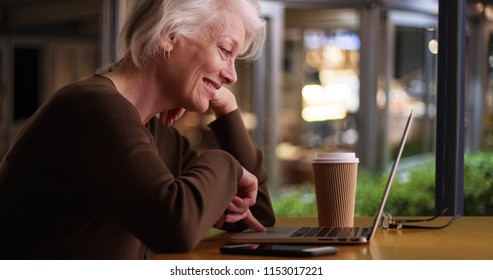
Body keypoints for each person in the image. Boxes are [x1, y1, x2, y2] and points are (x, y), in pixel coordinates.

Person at [0, 0, 275, 259]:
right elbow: (173, 226)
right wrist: (229, 167)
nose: (232, 75)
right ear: (169, 34)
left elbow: (257, 218)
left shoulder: (154, 130)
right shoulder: (93, 109)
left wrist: (227, 109)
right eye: (226, 51)